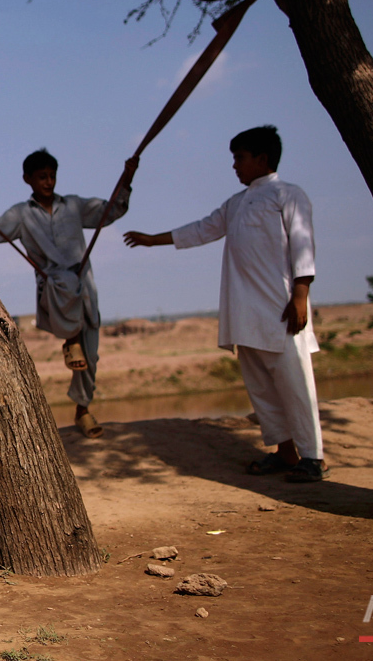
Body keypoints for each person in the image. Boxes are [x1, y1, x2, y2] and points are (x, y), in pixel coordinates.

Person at [124, 125, 326, 483]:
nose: (235, 166)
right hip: (245, 312)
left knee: (295, 385)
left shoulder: (288, 194)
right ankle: (285, 452)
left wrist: (300, 295)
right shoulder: (236, 203)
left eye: (240, 158)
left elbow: (303, 245)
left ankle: (312, 457)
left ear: (262, 159)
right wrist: (152, 240)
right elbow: (202, 229)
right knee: (261, 388)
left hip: (281, 310)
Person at [0, 149, 138, 439]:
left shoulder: (73, 205)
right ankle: (70, 337)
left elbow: (110, 211)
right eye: (41, 177)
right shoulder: (21, 214)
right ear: (28, 179)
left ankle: (82, 407)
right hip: (52, 283)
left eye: (52, 176)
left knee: (91, 354)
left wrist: (127, 179)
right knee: (63, 286)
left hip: (83, 279)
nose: (48, 182)